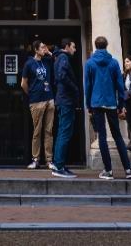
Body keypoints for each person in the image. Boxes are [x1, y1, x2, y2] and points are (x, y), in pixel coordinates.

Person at [84, 35, 131, 180]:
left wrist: (88, 104)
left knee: (102, 137)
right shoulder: (113, 63)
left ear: (95, 46)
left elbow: (87, 86)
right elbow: (120, 85)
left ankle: (108, 170)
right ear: (106, 46)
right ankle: (128, 169)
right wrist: (121, 104)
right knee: (117, 135)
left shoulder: (89, 63)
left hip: (96, 103)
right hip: (111, 102)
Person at [21, 39, 55, 169]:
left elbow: (57, 60)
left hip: (49, 99)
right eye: (41, 47)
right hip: (36, 101)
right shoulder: (29, 64)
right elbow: (23, 83)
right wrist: (32, 93)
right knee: (37, 131)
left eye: (44, 47)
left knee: (49, 131)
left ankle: (49, 160)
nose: (44, 49)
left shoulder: (47, 61)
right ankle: (35, 159)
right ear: (35, 50)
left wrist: (49, 52)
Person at [50, 38, 79, 179]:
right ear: (67, 46)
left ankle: (58, 164)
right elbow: (62, 76)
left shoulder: (59, 57)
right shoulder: (63, 58)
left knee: (63, 131)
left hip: (63, 100)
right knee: (64, 132)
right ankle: (59, 166)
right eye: (73, 46)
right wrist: (74, 88)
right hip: (66, 100)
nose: (75, 49)